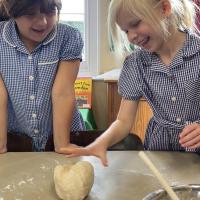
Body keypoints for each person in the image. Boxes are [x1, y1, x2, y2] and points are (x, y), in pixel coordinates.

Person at [62, 0, 200, 166]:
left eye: (135, 24)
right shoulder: (136, 63)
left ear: (165, 8)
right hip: (160, 151)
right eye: (126, 30)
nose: (131, 36)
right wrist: (100, 143)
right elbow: (123, 122)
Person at [0, 0, 85, 153]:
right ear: (11, 11)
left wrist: (62, 144)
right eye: (30, 14)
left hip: (63, 135)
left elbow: (62, 92)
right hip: (17, 140)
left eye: (50, 11)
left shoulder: (68, 37)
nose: (43, 22)